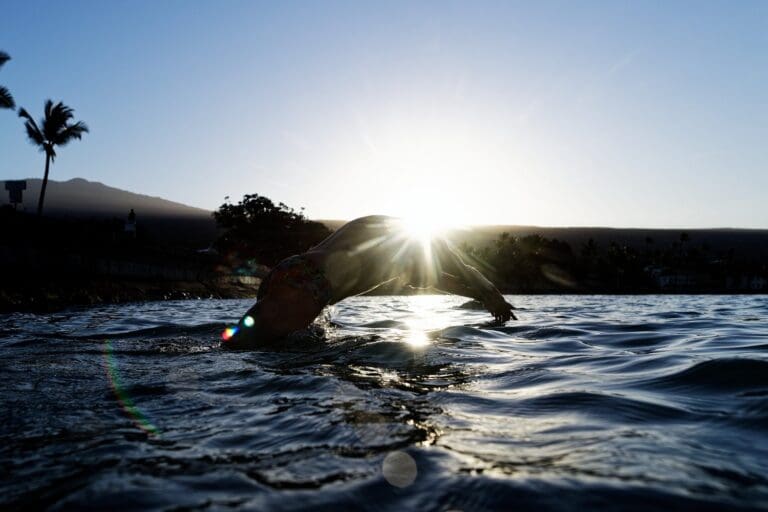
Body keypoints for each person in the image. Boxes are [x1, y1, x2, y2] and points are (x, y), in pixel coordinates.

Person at [223, 215, 516, 348]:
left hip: (291, 269)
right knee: (257, 353)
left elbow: (435, 281)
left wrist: (480, 297)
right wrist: (494, 297)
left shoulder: (381, 231)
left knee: (242, 345)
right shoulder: (428, 243)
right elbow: (463, 270)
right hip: (311, 285)